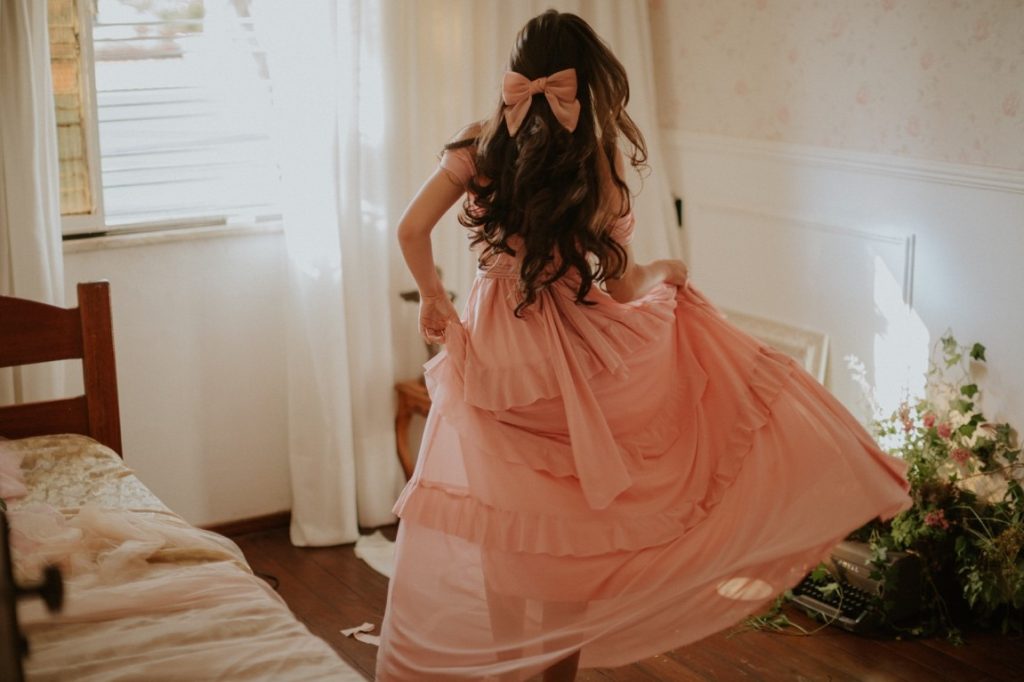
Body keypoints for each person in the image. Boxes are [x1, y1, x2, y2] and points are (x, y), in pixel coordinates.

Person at [376, 10, 911, 682]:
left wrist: (433, 295)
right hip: (576, 352)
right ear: (588, 84)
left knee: (506, 516)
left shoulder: (483, 146)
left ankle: (509, 668)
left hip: (498, 356)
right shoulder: (593, 158)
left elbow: (409, 229)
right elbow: (624, 287)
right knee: (573, 528)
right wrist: (666, 276)